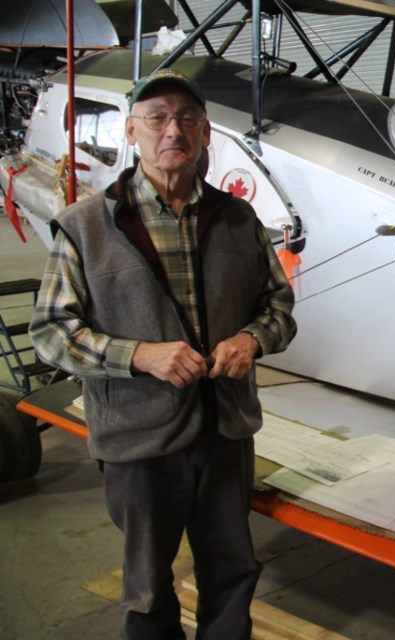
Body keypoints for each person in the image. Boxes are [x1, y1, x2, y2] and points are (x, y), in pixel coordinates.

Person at [30, 68, 297, 639]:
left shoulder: (237, 219)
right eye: (156, 118)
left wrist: (251, 340)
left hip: (225, 433)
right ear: (132, 131)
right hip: (139, 440)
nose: (171, 129)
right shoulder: (84, 226)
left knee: (231, 571)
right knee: (149, 586)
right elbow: (53, 331)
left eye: (186, 119)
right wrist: (139, 356)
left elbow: (279, 306)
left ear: (204, 135)